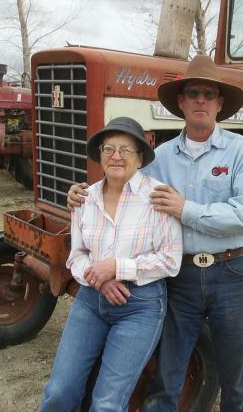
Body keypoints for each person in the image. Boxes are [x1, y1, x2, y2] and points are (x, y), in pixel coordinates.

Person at [68, 55, 243, 411]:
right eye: (193, 93)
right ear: (181, 101)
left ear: (220, 103)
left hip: (232, 272)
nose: (201, 100)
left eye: (209, 94)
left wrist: (184, 209)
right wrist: (80, 195)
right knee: (169, 374)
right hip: (181, 275)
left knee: (234, 376)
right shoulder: (159, 157)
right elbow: (121, 188)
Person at [41, 117, 183, 412]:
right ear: (100, 155)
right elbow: (76, 255)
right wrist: (101, 278)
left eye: (125, 150)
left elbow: (170, 261)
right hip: (91, 300)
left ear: (140, 157)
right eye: (109, 149)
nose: (116, 156)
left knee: (107, 403)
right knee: (59, 392)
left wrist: (117, 267)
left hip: (139, 305)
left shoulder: (158, 197)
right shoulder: (85, 198)